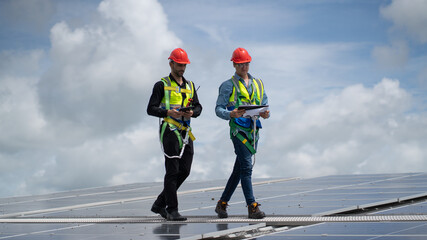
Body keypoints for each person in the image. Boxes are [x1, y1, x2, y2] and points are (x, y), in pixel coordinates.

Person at [147, 48, 202, 221]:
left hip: (186, 132)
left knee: (184, 170)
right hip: (170, 131)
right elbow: (150, 109)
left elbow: (199, 108)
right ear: (171, 63)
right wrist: (168, 112)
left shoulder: (190, 86)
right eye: (179, 64)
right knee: (172, 171)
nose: (182, 68)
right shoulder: (161, 84)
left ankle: (159, 203)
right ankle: (172, 209)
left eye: (184, 65)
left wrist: (192, 112)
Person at [214, 47, 270, 219]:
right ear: (234, 65)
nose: (244, 67)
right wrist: (231, 114)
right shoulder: (228, 85)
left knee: (239, 170)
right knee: (246, 167)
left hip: (254, 131)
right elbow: (218, 109)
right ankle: (252, 206)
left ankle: (222, 204)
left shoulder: (258, 84)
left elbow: (265, 105)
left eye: (246, 63)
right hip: (238, 131)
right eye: (240, 64)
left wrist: (266, 114)